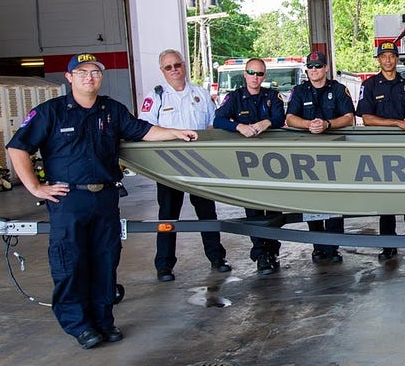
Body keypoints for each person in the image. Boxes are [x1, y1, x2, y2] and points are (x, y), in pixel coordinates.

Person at [6, 53, 198, 349]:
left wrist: (176, 132)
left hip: (105, 197)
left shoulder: (112, 110)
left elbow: (143, 131)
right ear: (69, 78)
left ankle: (103, 321)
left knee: (105, 261)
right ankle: (79, 325)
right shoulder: (51, 112)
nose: (89, 77)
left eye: (95, 72)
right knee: (70, 263)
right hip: (68, 200)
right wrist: (35, 187)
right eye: (82, 72)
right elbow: (18, 147)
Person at [141, 49, 228, 282]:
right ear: (162, 71)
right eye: (168, 67)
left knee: (207, 214)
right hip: (169, 166)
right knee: (168, 217)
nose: (174, 70)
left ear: (184, 66)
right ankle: (164, 265)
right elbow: (145, 129)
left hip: (199, 165)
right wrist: (175, 134)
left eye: (177, 65)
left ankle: (217, 258)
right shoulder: (156, 97)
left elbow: (212, 126)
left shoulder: (200, 93)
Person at [356, 41, 405, 261]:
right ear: (378, 60)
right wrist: (397, 123)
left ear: (396, 59)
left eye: (391, 56)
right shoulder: (370, 85)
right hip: (381, 147)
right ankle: (388, 246)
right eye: (384, 56)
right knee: (386, 199)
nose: (388, 60)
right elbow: (368, 119)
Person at [213, 58, 287, 275]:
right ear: (244, 74)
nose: (255, 77)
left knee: (274, 209)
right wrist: (239, 126)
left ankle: (272, 250)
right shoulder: (234, 98)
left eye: (260, 74)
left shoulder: (272, 97)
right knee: (253, 209)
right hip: (246, 165)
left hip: (273, 163)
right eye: (251, 73)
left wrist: (267, 122)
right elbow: (218, 120)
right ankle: (260, 254)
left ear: (264, 76)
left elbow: (281, 117)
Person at [285, 49, 356, 264]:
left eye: (318, 66)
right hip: (308, 155)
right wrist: (308, 124)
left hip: (334, 154)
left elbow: (349, 117)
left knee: (334, 199)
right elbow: (289, 118)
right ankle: (318, 246)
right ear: (306, 69)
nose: (314, 70)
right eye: (310, 66)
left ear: (326, 68)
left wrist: (327, 124)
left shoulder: (338, 89)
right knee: (312, 201)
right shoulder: (299, 91)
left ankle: (332, 247)